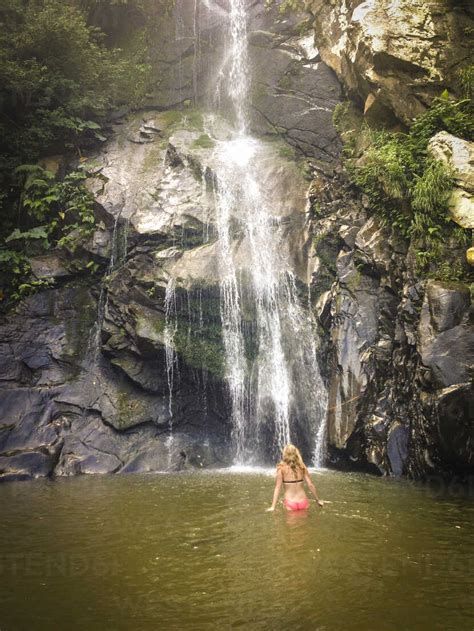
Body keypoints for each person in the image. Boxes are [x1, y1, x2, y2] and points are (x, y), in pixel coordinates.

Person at [266, 444, 324, 512]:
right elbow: (310, 485)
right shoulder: (302, 466)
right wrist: (318, 500)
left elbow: (277, 487)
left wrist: (273, 506)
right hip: (303, 502)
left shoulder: (281, 468)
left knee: (292, 522)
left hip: (290, 502)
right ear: (296, 453)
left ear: (285, 454)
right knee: (303, 522)